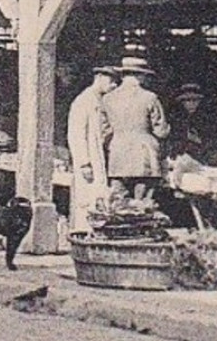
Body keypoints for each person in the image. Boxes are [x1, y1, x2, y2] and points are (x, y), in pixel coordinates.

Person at [101, 54, 171, 201]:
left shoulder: (108, 98)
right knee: (144, 203)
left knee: (118, 203)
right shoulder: (149, 97)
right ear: (140, 76)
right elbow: (161, 130)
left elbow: (104, 130)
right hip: (144, 154)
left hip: (117, 153)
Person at [66, 65, 117, 221]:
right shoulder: (83, 101)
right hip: (89, 162)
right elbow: (76, 134)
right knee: (87, 202)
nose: (114, 85)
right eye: (111, 80)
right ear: (99, 77)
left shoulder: (102, 101)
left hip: (100, 157)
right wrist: (84, 163)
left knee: (100, 201)